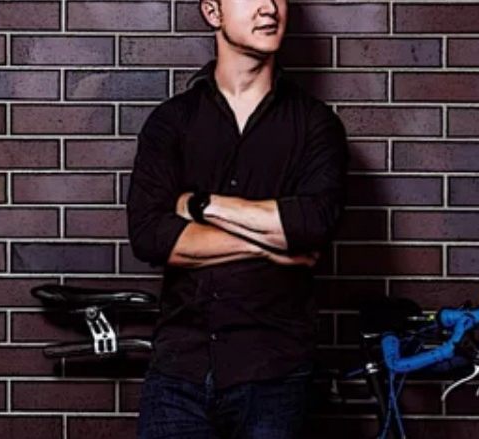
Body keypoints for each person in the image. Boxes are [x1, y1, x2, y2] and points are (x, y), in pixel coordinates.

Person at [126, 0, 348, 436]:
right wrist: (271, 244)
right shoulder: (172, 122)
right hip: (179, 374)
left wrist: (201, 206)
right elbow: (150, 235)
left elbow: (314, 223)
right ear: (213, 12)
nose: (269, 8)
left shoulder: (316, 124)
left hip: (275, 375)